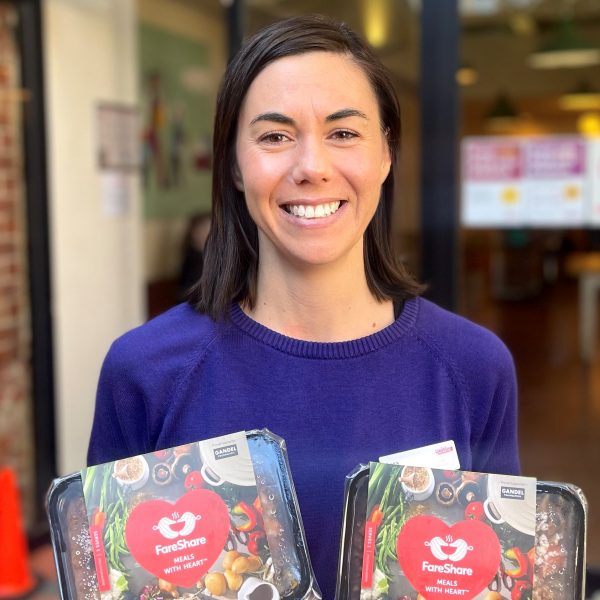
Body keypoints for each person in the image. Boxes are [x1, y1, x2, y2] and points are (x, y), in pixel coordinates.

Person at [88, 15, 520, 598]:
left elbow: (497, 581)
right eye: (274, 135)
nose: (312, 166)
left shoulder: (473, 368)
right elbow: (112, 578)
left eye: (344, 133)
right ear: (236, 166)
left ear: (386, 154)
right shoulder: (146, 370)